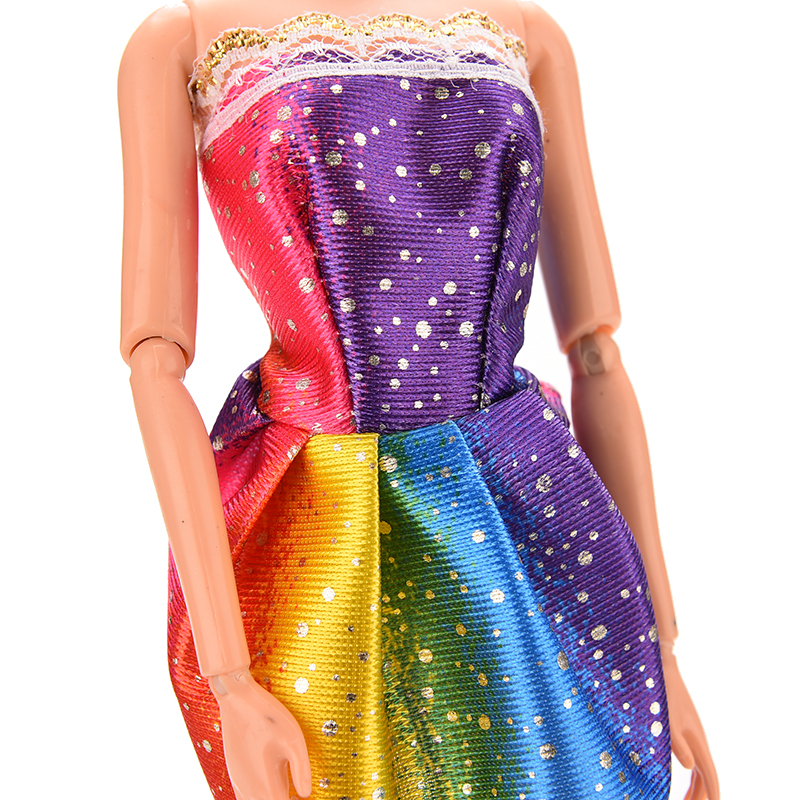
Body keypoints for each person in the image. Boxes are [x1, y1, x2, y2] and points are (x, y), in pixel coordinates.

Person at [119, 2, 719, 798]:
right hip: (325, 531)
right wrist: (228, 676)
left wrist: (660, 648)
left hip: (527, 506)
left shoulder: (526, 33)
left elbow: (597, 354)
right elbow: (155, 360)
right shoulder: (187, 40)